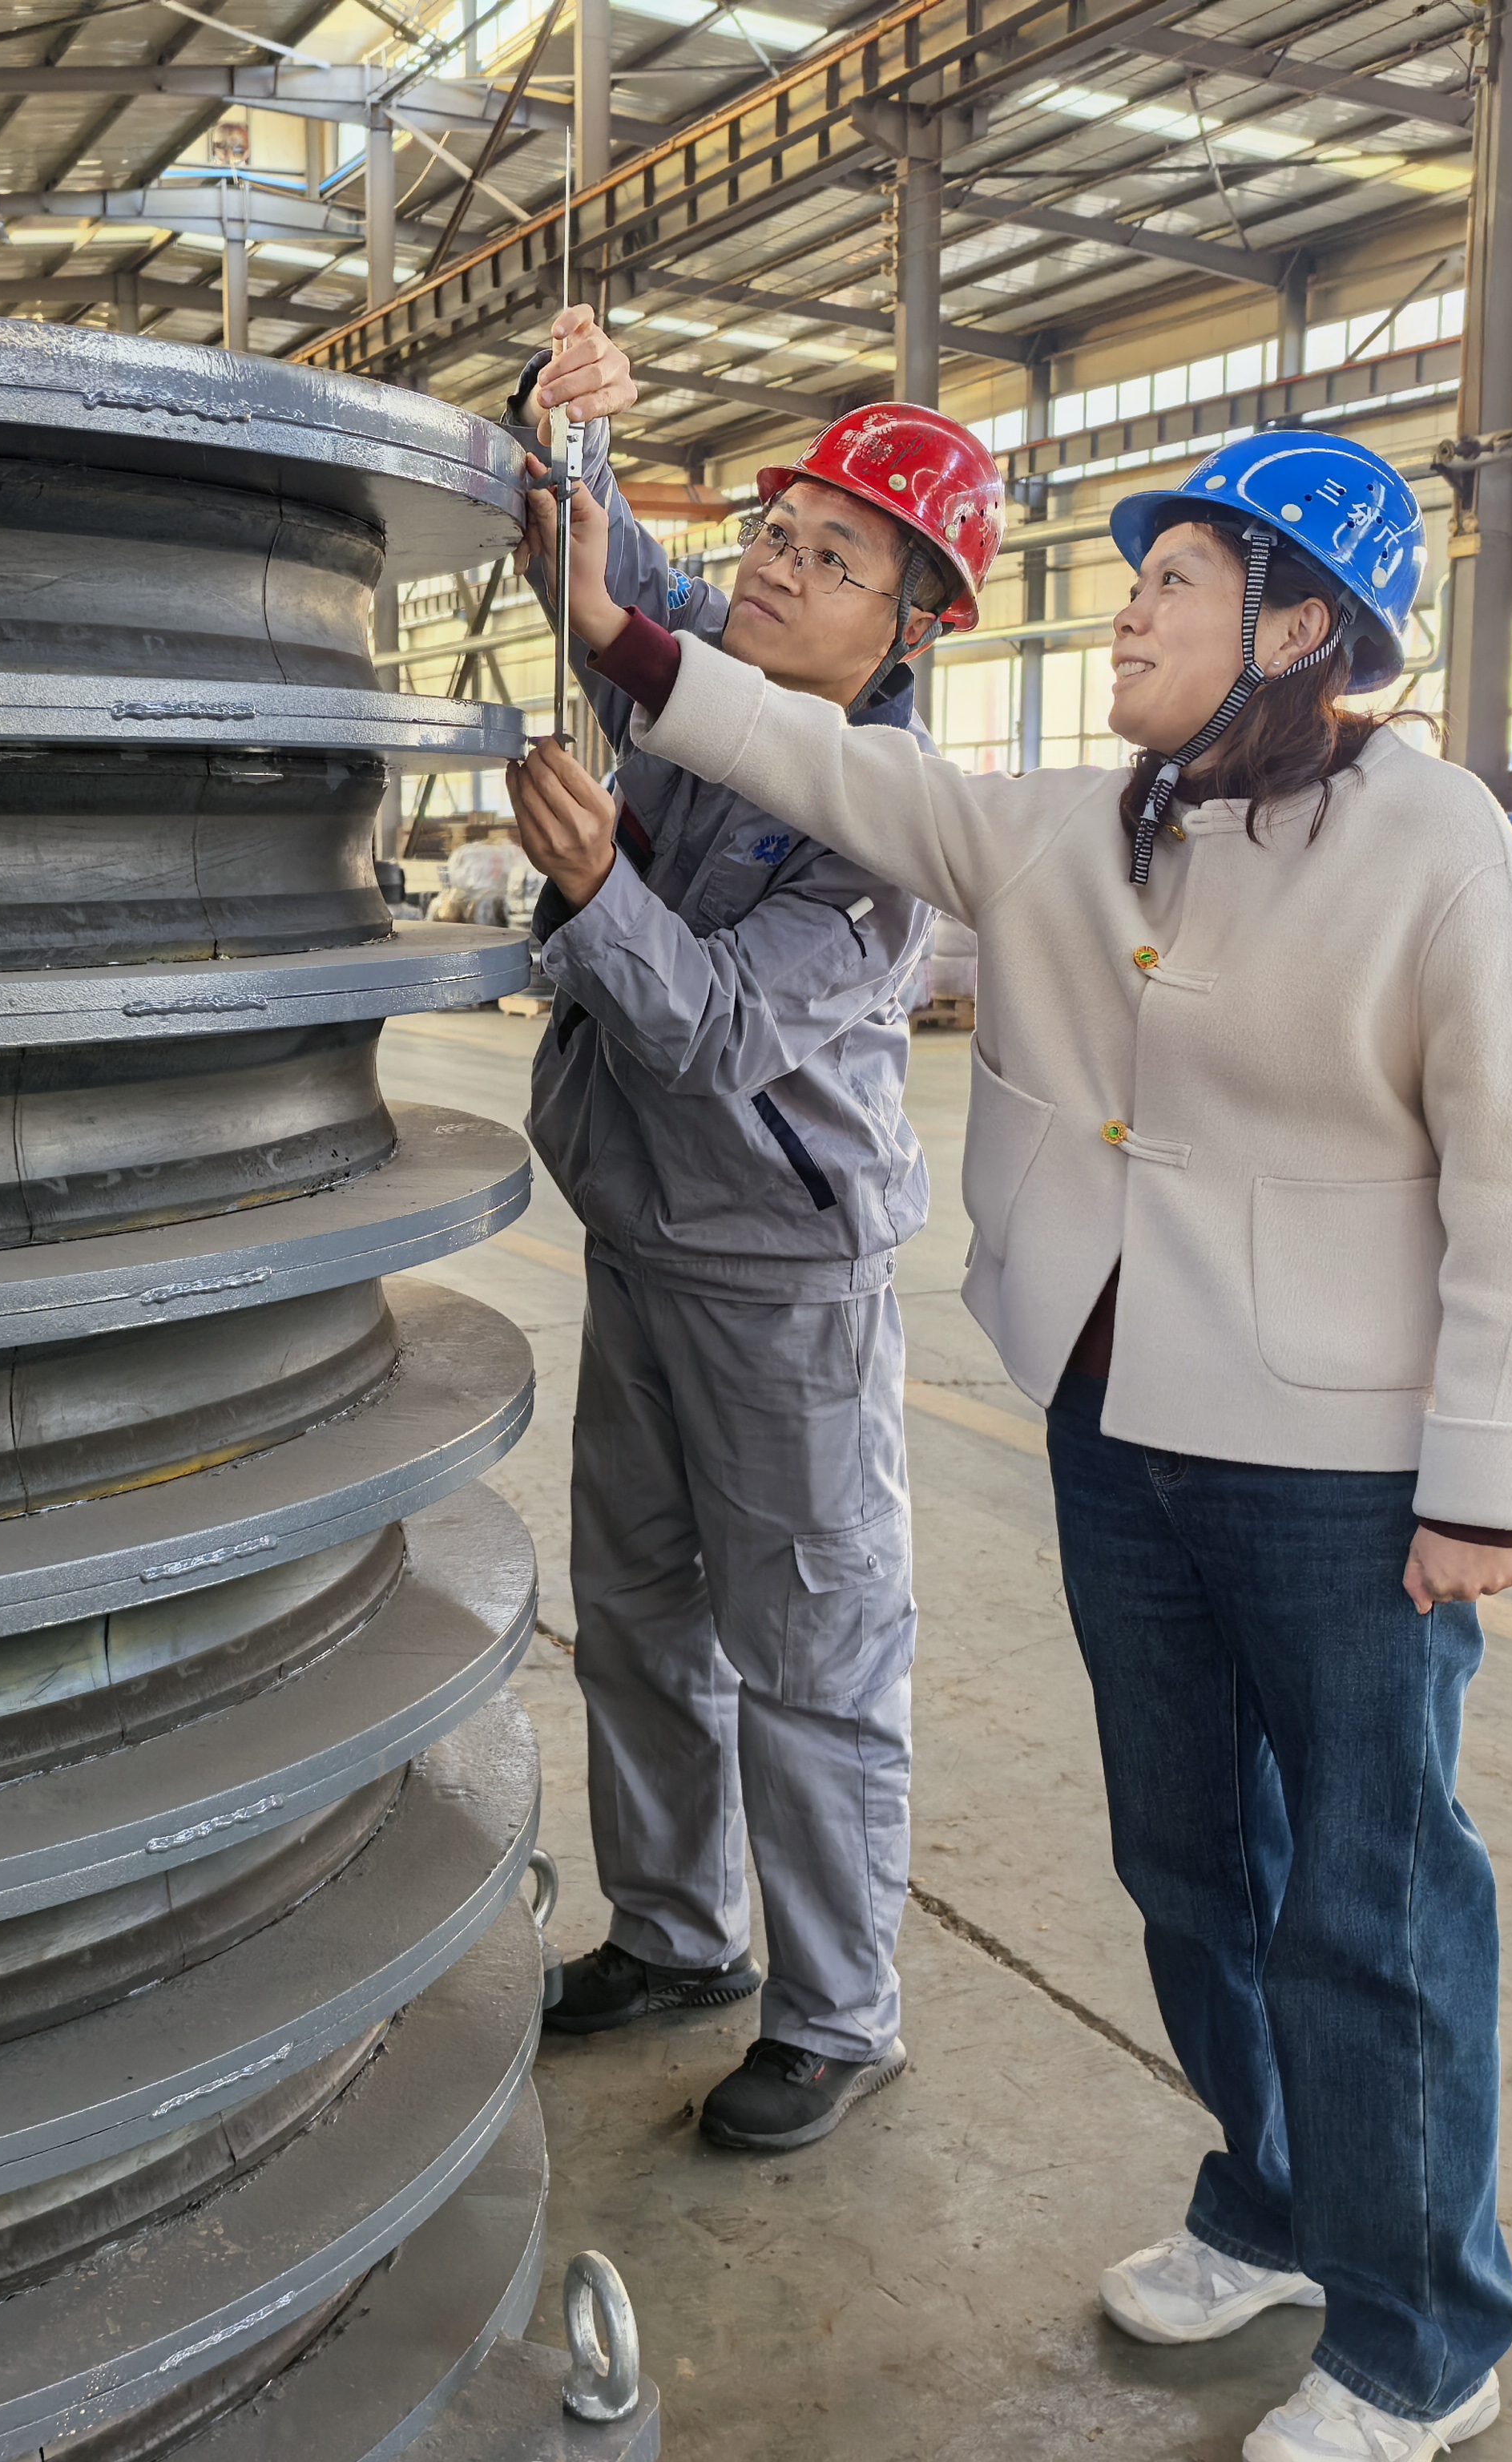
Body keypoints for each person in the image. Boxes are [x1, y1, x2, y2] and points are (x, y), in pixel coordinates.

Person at [514, 426, 1512, 2461]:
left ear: (1295, 627)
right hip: (1122, 1425)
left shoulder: (1434, 845)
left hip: (1342, 1468)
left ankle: (1419, 2341)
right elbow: (829, 764)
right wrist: (625, 639)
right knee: (1187, 1866)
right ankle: (1269, 2210)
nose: (1127, 611)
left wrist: (1484, 1482)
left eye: (1173, 581)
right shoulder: (1079, 823)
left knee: (1366, 1906)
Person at [498, 311, 1005, 2153]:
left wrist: (593, 881)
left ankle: (839, 2015)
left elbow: (709, 1030)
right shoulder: (711, 672)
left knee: (808, 1657)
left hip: (783, 1281)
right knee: (638, 1619)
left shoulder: (889, 832)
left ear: (910, 626)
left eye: (833, 558)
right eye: (777, 533)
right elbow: (594, 564)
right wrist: (563, 421)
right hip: (640, 1236)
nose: (779, 569)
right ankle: (674, 1935)